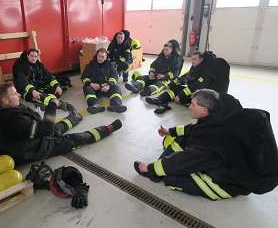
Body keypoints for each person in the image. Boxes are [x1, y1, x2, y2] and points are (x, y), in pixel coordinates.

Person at [134, 89, 278, 200]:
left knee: (171, 178)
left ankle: (156, 173)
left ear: (205, 110)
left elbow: (184, 161)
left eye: (193, 104)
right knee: (178, 139)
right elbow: (198, 128)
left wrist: (151, 168)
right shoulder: (223, 111)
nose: (189, 107)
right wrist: (170, 132)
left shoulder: (214, 141)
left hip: (229, 183)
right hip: (236, 161)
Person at [0, 83, 122, 165]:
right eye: (15, 93)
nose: (19, 94)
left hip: (23, 140)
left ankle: (75, 118)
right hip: (32, 149)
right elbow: (46, 129)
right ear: (5, 100)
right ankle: (106, 130)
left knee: (58, 127)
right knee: (71, 139)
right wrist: (52, 106)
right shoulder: (12, 119)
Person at [145, 51, 215, 113]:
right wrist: (170, 84)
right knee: (175, 88)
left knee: (181, 93)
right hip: (192, 91)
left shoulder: (205, 71)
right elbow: (184, 78)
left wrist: (180, 95)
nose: (193, 61)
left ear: (201, 60)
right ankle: (159, 99)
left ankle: (181, 102)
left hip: (199, 96)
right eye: (192, 59)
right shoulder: (194, 67)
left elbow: (196, 87)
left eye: (195, 59)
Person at [12, 49, 74, 114]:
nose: (33, 58)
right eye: (32, 56)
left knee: (57, 88)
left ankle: (47, 101)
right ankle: (58, 103)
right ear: (27, 56)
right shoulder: (20, 66)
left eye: (35, 56)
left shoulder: (39, 65)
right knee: (38, 96)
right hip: (25, 90)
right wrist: (33, 91)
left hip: (38, 87)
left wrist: (57, 86)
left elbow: (49, 76)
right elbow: (23, 82)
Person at [81, 48, 127, 114]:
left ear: (106, 58)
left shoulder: (110, 66)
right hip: (94, 87)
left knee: (116, 88)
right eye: (99, 56)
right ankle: (94, 106)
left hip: (106, 87)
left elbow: (114, 76)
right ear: (96, 56)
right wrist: (91, 84)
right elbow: (84, 77)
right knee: (87, 88)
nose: (100, 58)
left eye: (102, 57)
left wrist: (108, 85)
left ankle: (116, 105)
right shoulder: (90, 65)